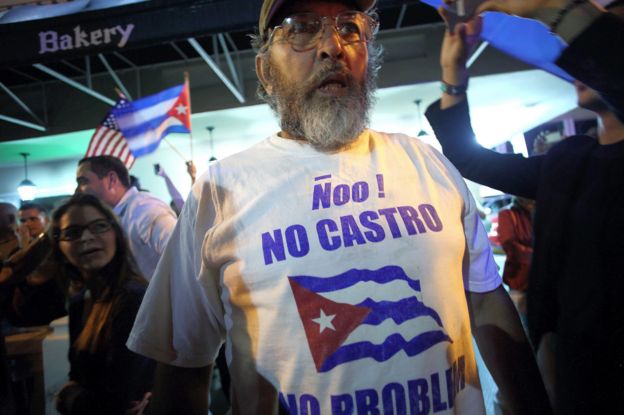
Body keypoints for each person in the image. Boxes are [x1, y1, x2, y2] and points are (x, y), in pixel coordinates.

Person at [128, 1, 551, 414]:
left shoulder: (426, 161)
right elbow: (184, 367)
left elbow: (486, 300)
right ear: (265, 72)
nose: (333, 46)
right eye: (301, 28)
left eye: (350, 27)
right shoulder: (219, 192)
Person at [425, 0, 624, 412]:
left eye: (607, 36)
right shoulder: (570, 163)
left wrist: (555, 8)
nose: (581, 50)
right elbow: (472, 159)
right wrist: (453, 76)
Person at [50, 194, 155, 415]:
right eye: (72, 232)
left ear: (115, 233)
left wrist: (64, 398)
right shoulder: (79, 302)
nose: (86, 238)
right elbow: (77, 376)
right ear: (59, 246)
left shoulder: (132, 298)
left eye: (98, 226)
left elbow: (118, 401)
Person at [75, 156, 177, 280]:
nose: (77, 191)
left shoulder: (145, 210)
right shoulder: (118, 216)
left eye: (83, 182)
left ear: (111, 180)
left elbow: (183, 256)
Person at [0, 203, 66, 327]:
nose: (27, 224)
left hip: (54, 308)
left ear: (46, 220)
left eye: (33, 219)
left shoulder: (56, 246)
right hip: (26, 315)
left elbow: (38, 275)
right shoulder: (15, 252)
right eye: (23, 220)